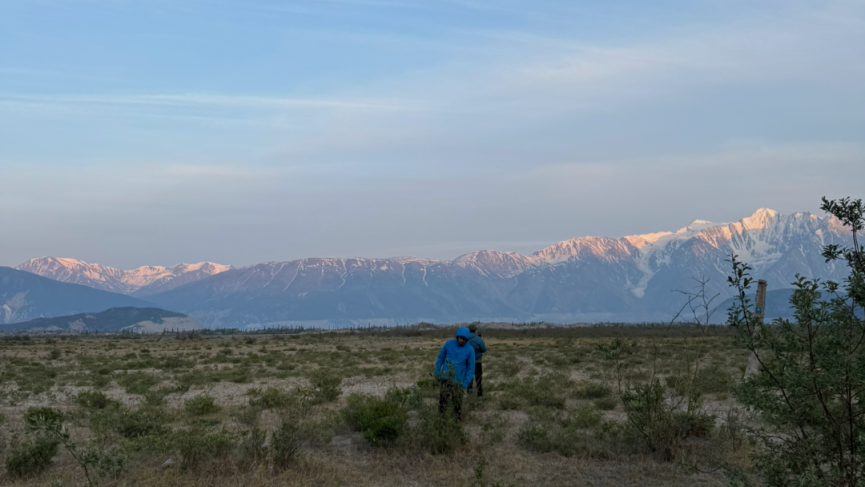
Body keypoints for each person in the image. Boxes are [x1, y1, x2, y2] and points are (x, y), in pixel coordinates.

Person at [434, 327, 475, 421]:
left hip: (458, 382)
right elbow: (440, 358)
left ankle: (456, 424)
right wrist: (437, 372)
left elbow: (470, 368)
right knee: (442, 402)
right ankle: (441, 422)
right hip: (445, 378)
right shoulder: (449, 344)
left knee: (457, 404)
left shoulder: (470, 350)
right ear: (457, 337)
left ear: (467, 339)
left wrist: (465, 383)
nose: (461, 341)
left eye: (464, 339)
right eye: (460, 338)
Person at [466, 324, 487, 396]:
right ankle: (479, 394)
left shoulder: (465, 339)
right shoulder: (478, 339)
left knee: (469, 379)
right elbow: (484, 349)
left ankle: (469, 394)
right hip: (477, 361)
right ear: (475, 331)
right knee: (478, 379)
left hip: (468, 362)